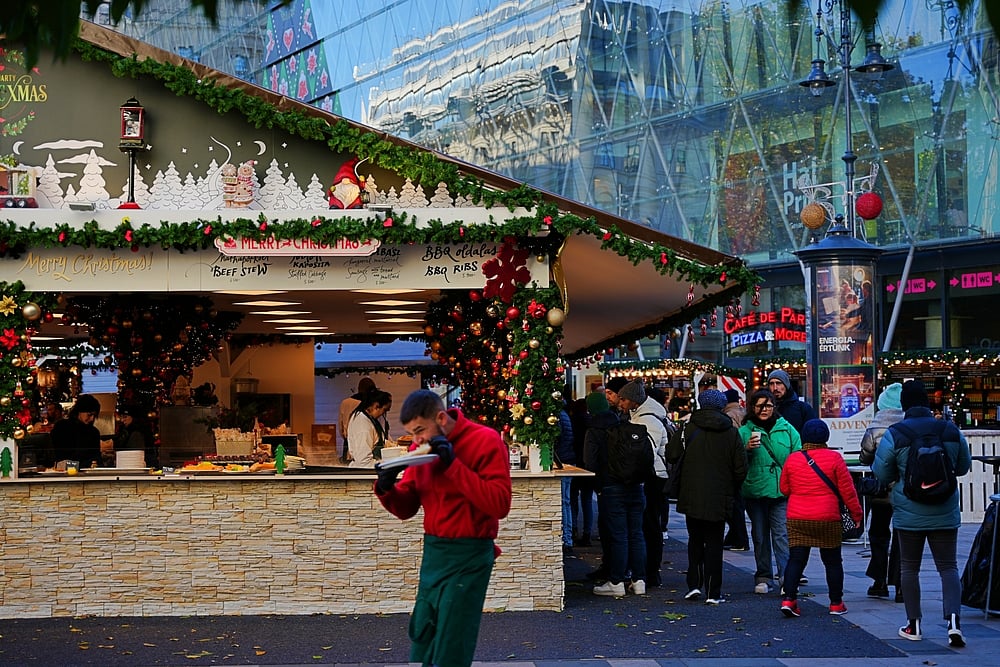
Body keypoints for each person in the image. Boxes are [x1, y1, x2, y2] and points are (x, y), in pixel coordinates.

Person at [373, 389, 512, 667]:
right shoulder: (418, 450)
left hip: (470, 553)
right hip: (435, 553)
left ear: (441, 417)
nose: (416, 440)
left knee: (453, 637)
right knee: (425, 630)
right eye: (412, 433)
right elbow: (407, 508)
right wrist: (386, 487)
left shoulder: (485, 440)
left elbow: (500, 505)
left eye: (420, 431)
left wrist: (453, 464)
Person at [873, 379, 971, 647]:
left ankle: (913, 624)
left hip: (909, 511)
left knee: (909, 567)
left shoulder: (896, 432)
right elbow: (963, 467)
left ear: (904, 404)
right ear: (927, 403)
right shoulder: (949, 430)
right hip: (945, 509)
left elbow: (881, 472)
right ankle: (953, 623)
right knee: (948, 567)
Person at [666, 389, 747, 605]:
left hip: (691, 493)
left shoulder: (687, 428)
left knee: (695, 540)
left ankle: (694, 584)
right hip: (720, 495)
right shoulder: (730, 432)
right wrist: (731, 485)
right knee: (714, 542)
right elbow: (741, 469)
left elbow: (671, 455)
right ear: (722, 407)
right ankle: (713, 591)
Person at [778, 419, 862, 618]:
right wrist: (856, 514)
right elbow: (848, 491)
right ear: (826, 437)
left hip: (797, 518)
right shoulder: (835, 459)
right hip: (828, 518)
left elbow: (784, 489)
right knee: (832, 561)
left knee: (796, 559)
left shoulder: (792, 459)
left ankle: (789, 599)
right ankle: (836, 603)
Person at [583, 390, 647, 596]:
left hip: (611, 488)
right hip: (635, 486)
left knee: (618, 536)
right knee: (636, 535)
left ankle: (616, 582)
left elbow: (589, 463)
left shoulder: (594, 430)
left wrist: (599, 483)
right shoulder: (622, 423)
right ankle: (639, 580)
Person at [740, 388, 802, 594]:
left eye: (768, 405)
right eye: (759, 405)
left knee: (782, 534)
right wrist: (746, 450)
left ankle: (786, 578)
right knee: (759, 535)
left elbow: (797, 456)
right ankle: (763, 575)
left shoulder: (787, 429)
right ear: (752, 408)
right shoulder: (744, 431)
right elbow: (735, 462)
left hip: (781, 490)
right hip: (755, 489)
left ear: (774, 407)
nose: (764, 409)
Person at [618, 379, 671, 588]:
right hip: (652, 476)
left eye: (622, 399)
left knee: (650, 526)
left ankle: (651, 571)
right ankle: (647, 570)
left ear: (633, 400)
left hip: (653, 477)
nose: (619, 403)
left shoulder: (648, 420)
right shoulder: (641, 416)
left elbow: (644, 452)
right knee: (649, 525)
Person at [859, 382, 905, 602]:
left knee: (878, 534)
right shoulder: (908, 425)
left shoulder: (875, 427)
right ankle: (900, 585)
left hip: (881, 490)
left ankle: (879, 581)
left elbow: (865, 457)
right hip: (905, 491)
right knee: (902, 536)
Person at [722, 389, 750, 551]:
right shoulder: (743, 412)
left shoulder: (729, 416)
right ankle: (734, 538)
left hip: (735, 462)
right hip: (744, 461)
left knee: (734, 505)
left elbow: (732, 440)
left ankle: (739, 539)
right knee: (737, 504)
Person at [568, 396, 595, 547]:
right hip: (588, 465)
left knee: (572, 499)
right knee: (587, 500)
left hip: (575, 461)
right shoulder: (591, 422)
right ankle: (587, 533)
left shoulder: (573, 422)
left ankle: (573, 529)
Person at [50, 394, 104, 469]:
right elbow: (58, 455)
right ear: (79, 411)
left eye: (94, 416)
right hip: (65, 471)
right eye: (89, 415)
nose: (92, 419)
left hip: (87, 472)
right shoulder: (62, 427)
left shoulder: (94, 432)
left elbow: (97, 458)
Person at [347, 390, 392, 467]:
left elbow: (377, 440)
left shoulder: (368, 418)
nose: (383, 414)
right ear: (376, 406)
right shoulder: (362, 424)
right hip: (364, 474)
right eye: (384, 410)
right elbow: (364, 462)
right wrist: (387, 464)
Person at [766, 369, 817, 435]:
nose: (775, 388)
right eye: (771, 384)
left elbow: (812, 434)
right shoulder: (764, 409)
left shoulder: (803, 408)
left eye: (778, 383)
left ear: (786, 385)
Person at [555, 401, 576, 554]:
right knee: (565, 502)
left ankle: (566, 539)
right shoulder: (564, 415)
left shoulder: (556, 417)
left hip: (562, 461)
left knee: (563, 502)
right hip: (567, 458)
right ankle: (567, 538)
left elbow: (557, 439)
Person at [339, 377, 376, 463]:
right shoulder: (371, 405)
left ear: (359, 388)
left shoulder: (346, 403)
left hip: (349, 444)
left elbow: (341, 428)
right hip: (368, 445)